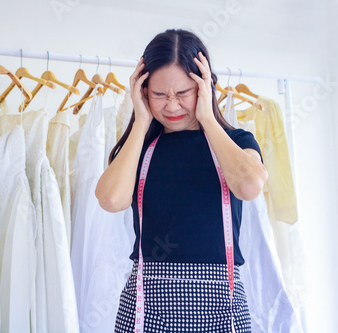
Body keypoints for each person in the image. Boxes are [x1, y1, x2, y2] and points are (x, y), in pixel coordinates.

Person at [95, 29, 268, 332]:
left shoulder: (236, 142)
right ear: (142, 91)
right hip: (147, 307)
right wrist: (141, 122)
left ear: (204, 87)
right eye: (159, 95)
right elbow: (110, 200)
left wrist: (208, 120)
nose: (172, 106)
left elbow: (250, 186)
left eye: (183, 93)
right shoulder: (139, 149)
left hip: (220, 307)